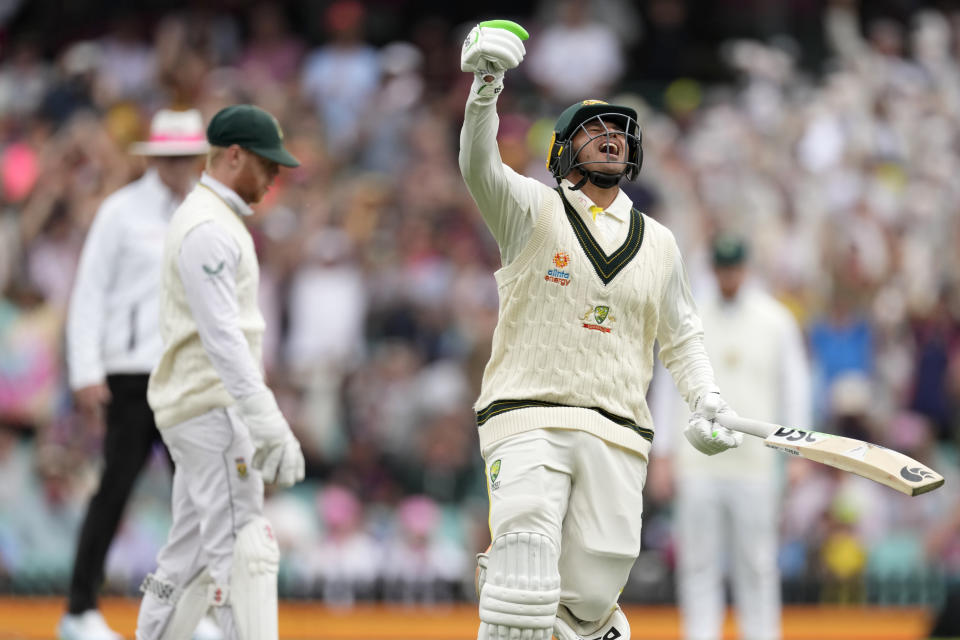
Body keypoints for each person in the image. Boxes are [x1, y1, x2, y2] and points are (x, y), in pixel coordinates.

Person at [458, 20, 743, 640]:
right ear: (563, 151)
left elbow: (683, 336)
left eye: (618, 131)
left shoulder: (660, 243)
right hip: (528, 412)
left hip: (618, 429)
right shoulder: (531, 208)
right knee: (524, 568)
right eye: (594, 130)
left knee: (589, 600)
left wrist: (706, 399)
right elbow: (479, 166)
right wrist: (487, 87)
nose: (610, 137)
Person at [134, 104, 305, 640]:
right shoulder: (207, 226)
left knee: (187, 557)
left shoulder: (212, 218)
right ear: (233, 156)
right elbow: (222, 339)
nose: (275, 175)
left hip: (201, 407)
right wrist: (267, 422)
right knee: (243, 550)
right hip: (211, 408)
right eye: (267, 163)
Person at [60, 109, 217, 640]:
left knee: (196, 500)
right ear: (152, 158)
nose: (179, 167)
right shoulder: (120, 212)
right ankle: (79, 610)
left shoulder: (208, 212)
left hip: (188, 374)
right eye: (170, 158)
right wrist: (85, 371)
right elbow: (89, 294)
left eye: (187, 157)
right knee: (115, 490)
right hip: (130, 375)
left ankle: (190, 614)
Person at [649, 234, 811, 640]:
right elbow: (667, 387)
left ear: (746, 268)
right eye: (722, 270)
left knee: (756, 564)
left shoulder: (775, 320)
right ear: (713, 269)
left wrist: (797, 455)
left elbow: (795, 388)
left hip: (755, 464)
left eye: (734, 269)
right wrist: (663, 454)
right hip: (697, 461)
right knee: (698, 562)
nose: (728, 277)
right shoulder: (691, 316)